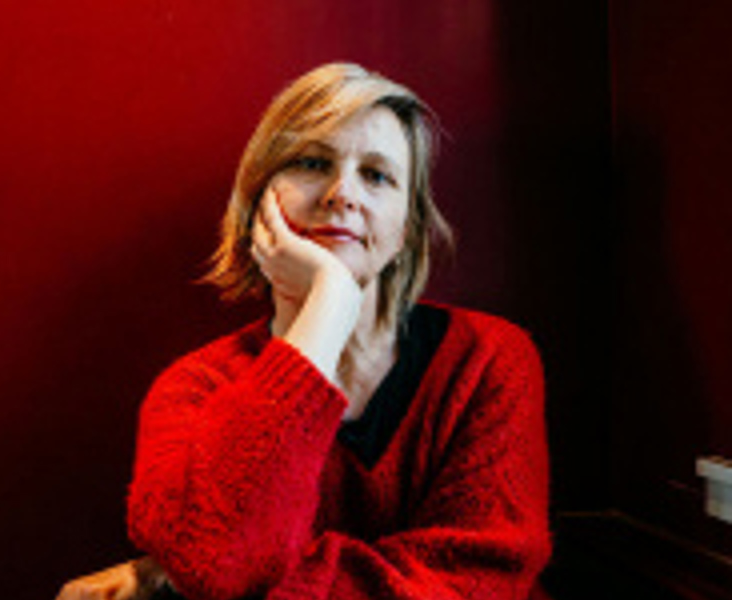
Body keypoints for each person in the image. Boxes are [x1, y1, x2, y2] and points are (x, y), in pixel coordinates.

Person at [56, 62, 551, 600]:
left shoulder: (489, 360)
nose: (343, 193)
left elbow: (478, 581)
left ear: (407, 228)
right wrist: (329, 304)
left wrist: (184, 579)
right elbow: (215, 563)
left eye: (377, 175)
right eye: (314, 162)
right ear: (257, 201)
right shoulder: (192, 389)